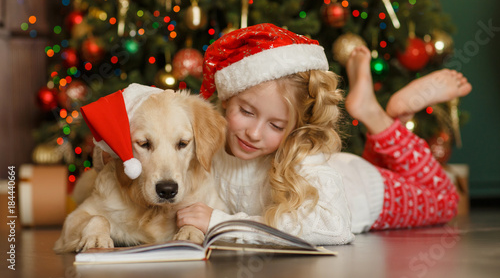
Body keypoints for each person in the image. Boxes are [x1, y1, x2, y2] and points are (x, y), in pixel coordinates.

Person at [176, 23, 472, 245]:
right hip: (345, 169)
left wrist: (223, 223)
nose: (253, 133)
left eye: (276, 126)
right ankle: (392, 116)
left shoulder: (302, 157)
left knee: (445, 199)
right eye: (247, 112)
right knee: (385, 166)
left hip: (367, 194)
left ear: (295, 128)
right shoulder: (210, 146)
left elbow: (334, 228)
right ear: (227, 98)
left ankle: (379, 116)